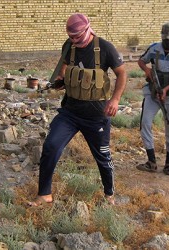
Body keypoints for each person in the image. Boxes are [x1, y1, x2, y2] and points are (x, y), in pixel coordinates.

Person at [28, 13, 127, 206]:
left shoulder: (105, 48)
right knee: (51, 146)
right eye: (71, 37)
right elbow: (63, 68)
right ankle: (44, 194)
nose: (74, 41)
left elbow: (122, 73)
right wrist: (60, 81)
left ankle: (109, 195)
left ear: (87, 29)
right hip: (70, 112)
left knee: (103, 156)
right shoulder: (69, 46)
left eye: (77, 37)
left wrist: (115, 100)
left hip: (96, 115)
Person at [135, 22, 169, 176]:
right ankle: (151, 161)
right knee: (145, 123)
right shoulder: (154, 48)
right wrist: (147, 71)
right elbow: (141, 60)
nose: (167, 42)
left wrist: (166, 89)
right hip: (153, 94)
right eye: (165, 38)